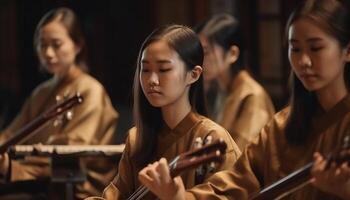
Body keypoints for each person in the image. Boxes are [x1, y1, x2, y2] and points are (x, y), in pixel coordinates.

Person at [138, 0, 350, 199]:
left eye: (316, 48)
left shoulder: (251, 95)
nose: (303, 60)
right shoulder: (281, 127)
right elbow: (235, 182)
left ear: (347, 50)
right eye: (295, 49)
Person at [87, 24, 241, 200]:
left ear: (194, 74)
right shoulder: (137, 138)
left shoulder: (212, 138)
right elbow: (116, 195)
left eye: (163, 69)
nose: (151, 80)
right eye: (145, 69)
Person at [0, 7, 119, 199]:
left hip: (75, 185)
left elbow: (70, 151)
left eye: (56, 44)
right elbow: (11, 134)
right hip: (38, 179)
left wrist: (13, 168)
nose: (48, 53)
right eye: (42, 44)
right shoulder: (41, 92)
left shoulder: (91, 90)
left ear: (78, 45)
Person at [195, 14, 275, 150]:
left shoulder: (252, 95)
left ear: (232, 54)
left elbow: (241, 154)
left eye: (206, 52)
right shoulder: (221, 90)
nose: (200, 60)